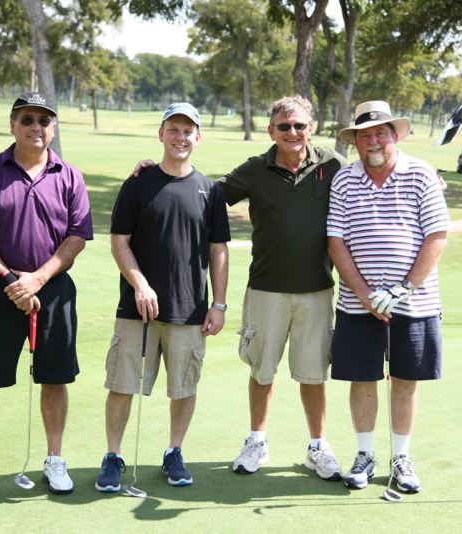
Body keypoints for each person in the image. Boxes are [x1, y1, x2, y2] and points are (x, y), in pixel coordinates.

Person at [132, 95, 348, 482]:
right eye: (284, 126)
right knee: (262, 370)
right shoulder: (255, 169)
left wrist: (423, 176)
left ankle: (318, 446)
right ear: (271, 131)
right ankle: (257, 441)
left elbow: (369, 182)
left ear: (310, 128)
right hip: (266, 287)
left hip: (316, 288)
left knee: (314, 373)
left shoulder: (331, 164)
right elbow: (207, 194)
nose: (293, 132)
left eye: (299, 125)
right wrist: (160, 173)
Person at [0, 91, 93, 496]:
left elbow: (77, 237)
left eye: (44, 121)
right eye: (28, 119)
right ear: (13, 125)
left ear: (53, 128)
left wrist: (36, 279)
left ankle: (55, 459)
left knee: (55, 379)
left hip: (54, 292)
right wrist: (10, 281)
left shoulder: (69, 175)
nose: (36, 127)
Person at [95, 103, 230, 491]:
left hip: (190, 309)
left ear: (198, 138)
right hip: (136, 309)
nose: (180, 137)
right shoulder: (137, 185)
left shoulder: (211, 191)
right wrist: (140, 283)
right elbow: (119, 242)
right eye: (173, 129)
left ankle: (174, 452)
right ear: (161, 134)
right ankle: (113, 457)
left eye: (188, 131)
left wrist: (219, 304)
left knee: (184, 388)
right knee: (122, 385)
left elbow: (219, 250)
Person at [326, 100, 449, 493]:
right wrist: (364, 294)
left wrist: (402, 288)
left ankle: (401, 458)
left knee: (405, 379)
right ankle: (365, 454)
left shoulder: (421, 174)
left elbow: (437, 237)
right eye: (365, 135)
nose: (373, 141)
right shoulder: (344, 180)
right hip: (356, 304)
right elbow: (336, 240)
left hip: (414, 302)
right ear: (356, 142)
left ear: (395, 135)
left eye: (381, 133)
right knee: (362, 378)